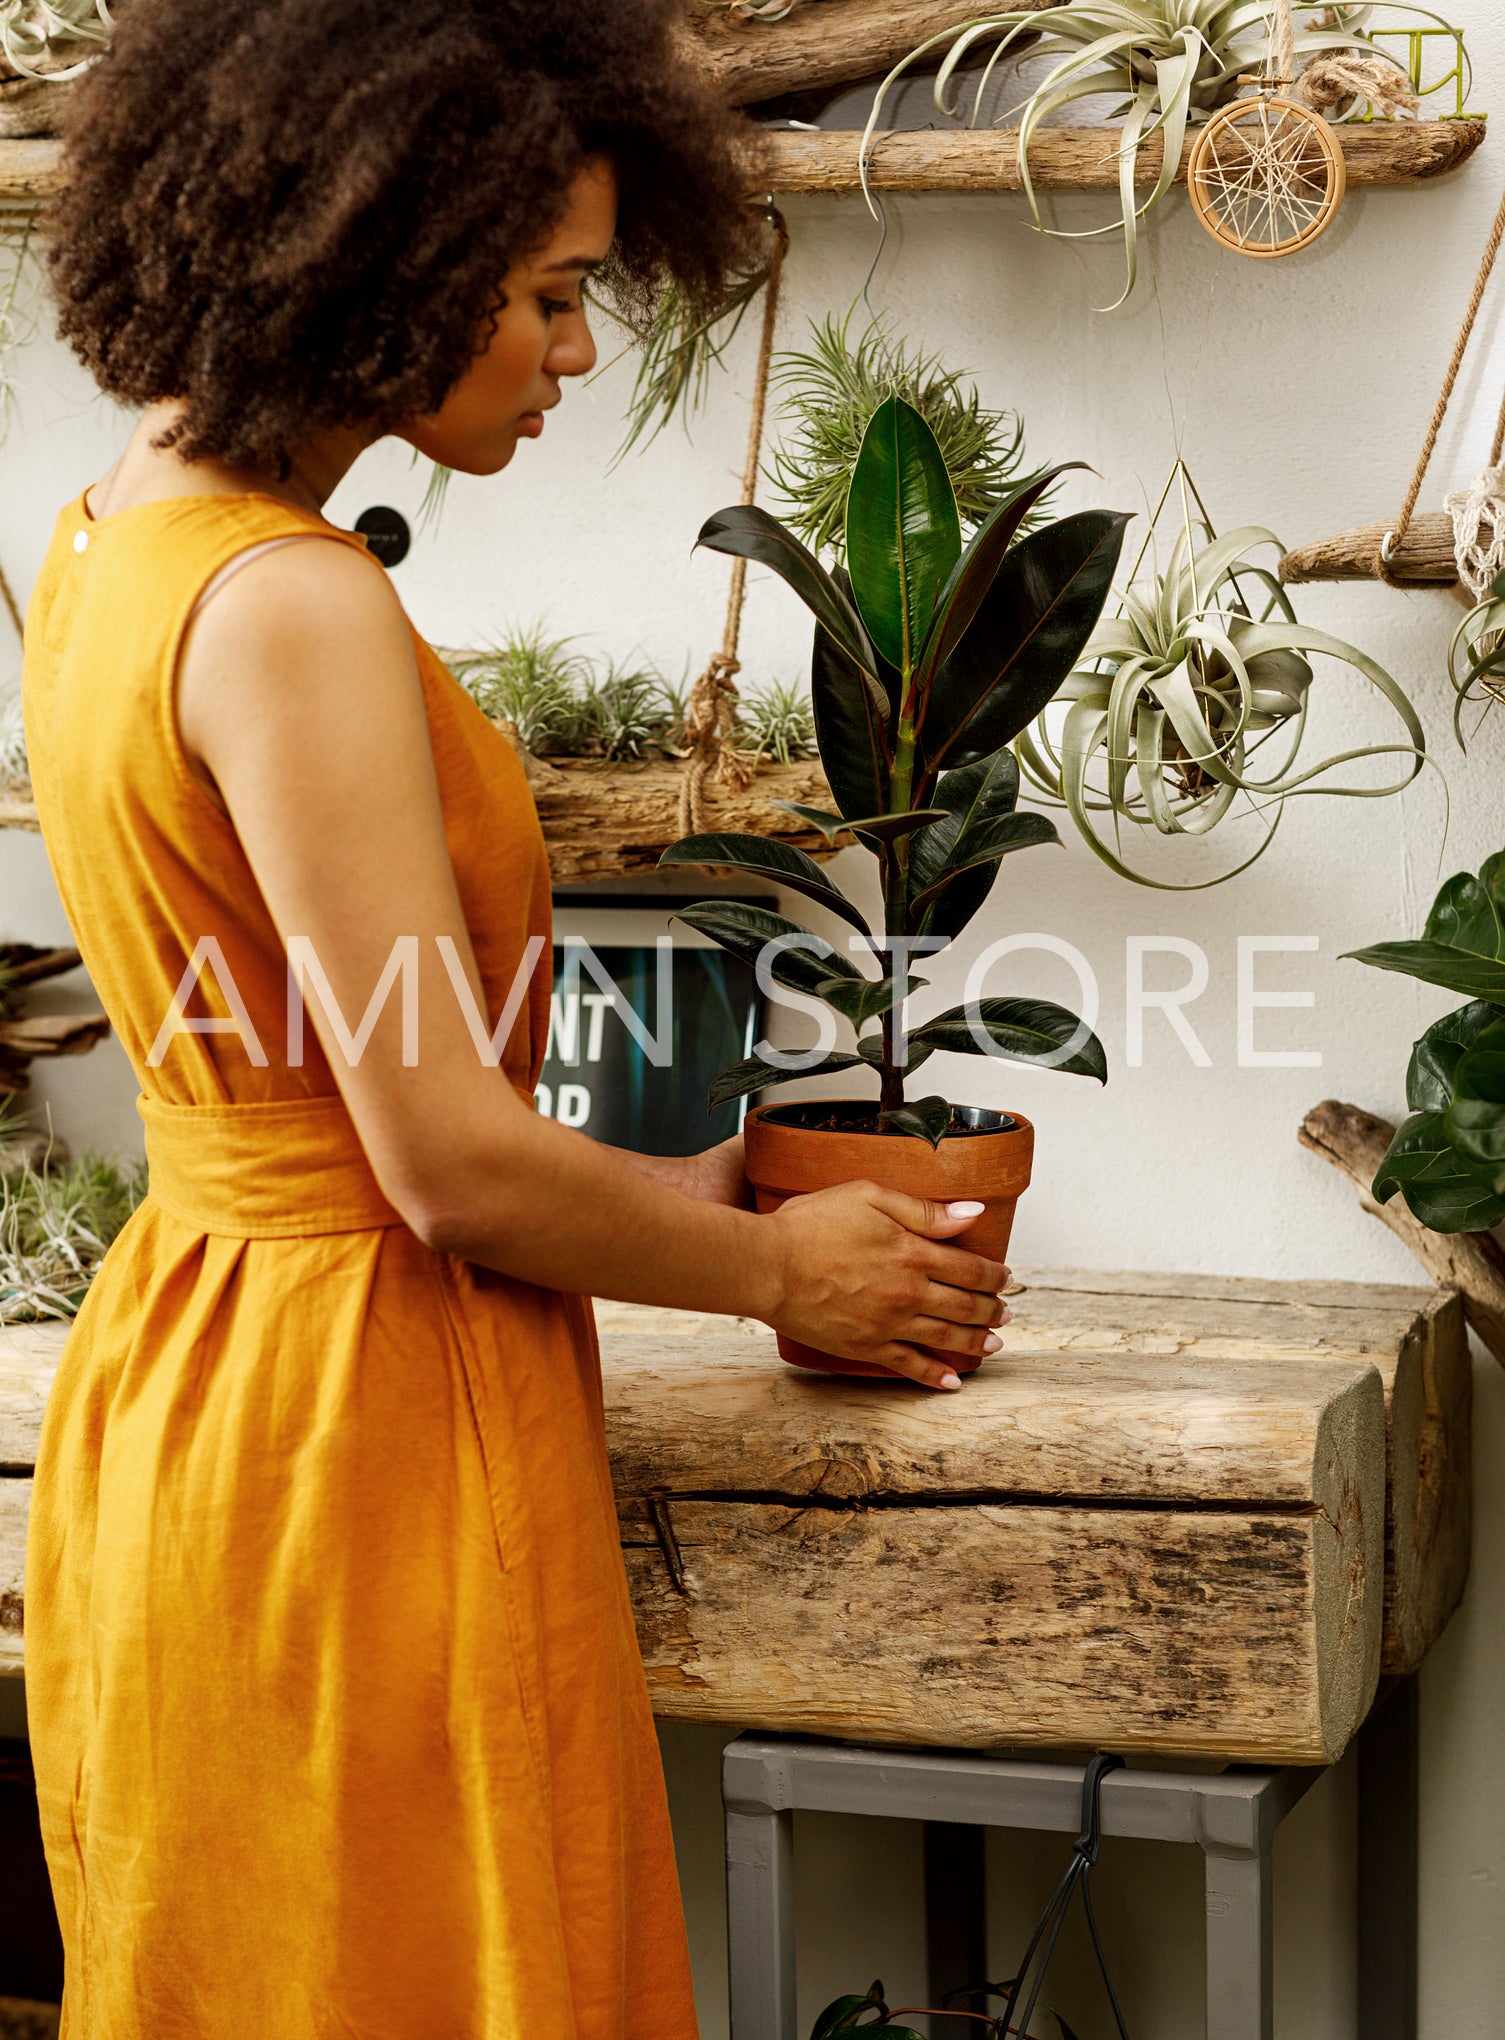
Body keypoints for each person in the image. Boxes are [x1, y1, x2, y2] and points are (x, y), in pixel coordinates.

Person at [20, 3, 1012, 2033]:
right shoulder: (287, 600)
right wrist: (775, 1270)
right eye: (553, 294)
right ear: (388, 252)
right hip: (359, 1425)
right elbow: (447, 1158)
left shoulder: (111, 530)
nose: (578, 351)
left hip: (198, 1370)